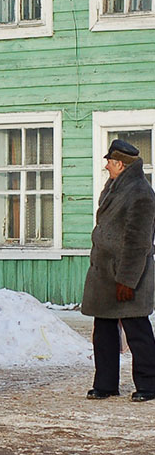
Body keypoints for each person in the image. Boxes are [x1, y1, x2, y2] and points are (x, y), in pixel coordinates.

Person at [83, 139, 155, 402]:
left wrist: (127, 280)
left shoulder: (141, 193)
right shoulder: (115, 187)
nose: (106, 167)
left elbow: (139, 241)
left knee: (137, 330)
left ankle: (149, 385)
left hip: (127, 274)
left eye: (110, 163)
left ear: (121, 165)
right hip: (104, 274)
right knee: (103, 330)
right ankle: (105, 384)